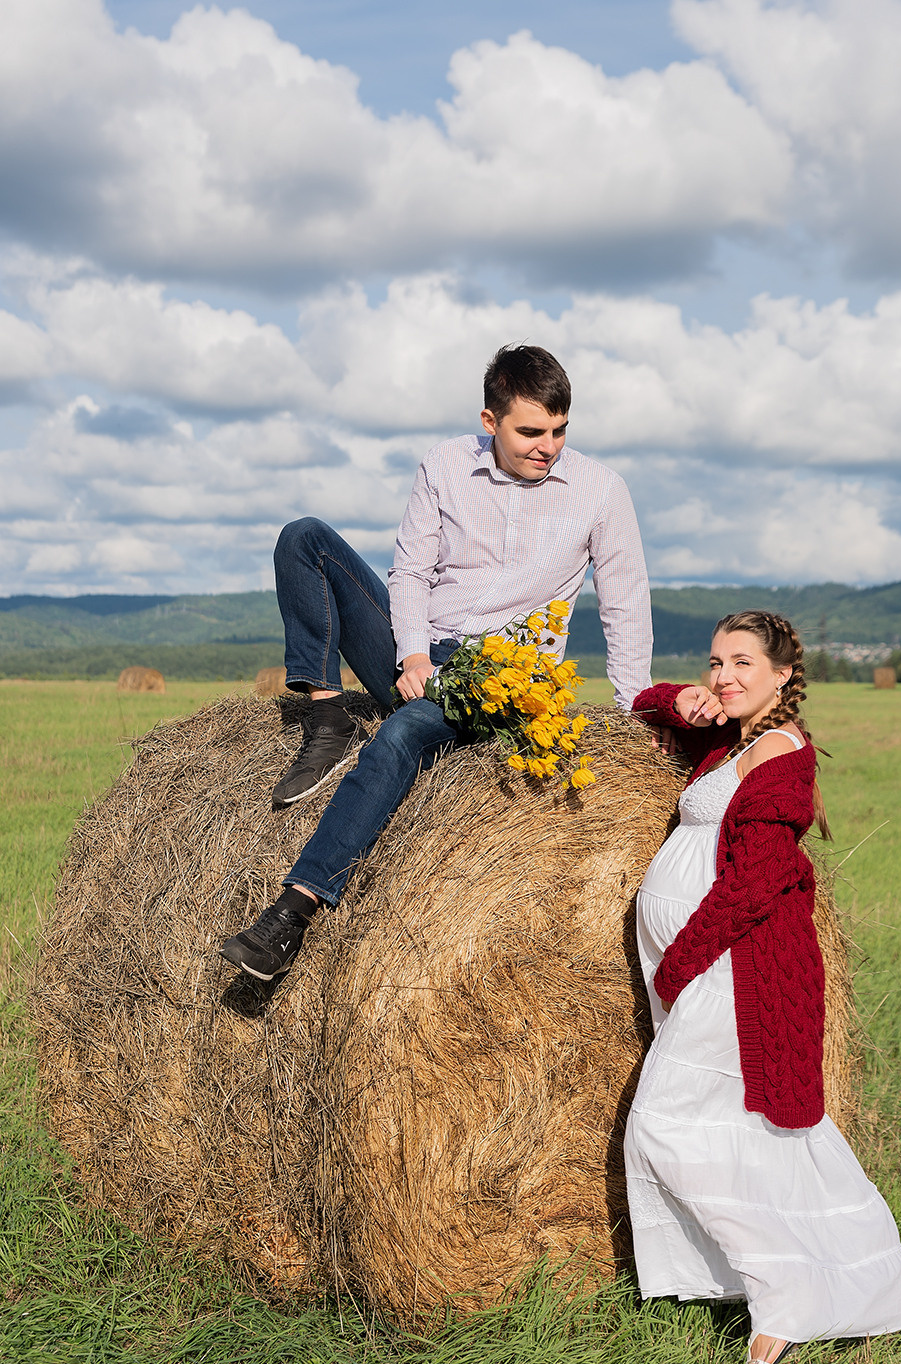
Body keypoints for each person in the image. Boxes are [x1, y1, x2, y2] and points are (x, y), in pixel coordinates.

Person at [220, 344, 653, 981]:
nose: (548, 446)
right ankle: (326, 714)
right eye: (530, 431)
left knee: (399, 734)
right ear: (490, 421)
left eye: (560, 431)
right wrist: (414, 651)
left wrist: (633, 719)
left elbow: (626, 604)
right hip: (421, 646)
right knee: (303, 537)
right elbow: (411, 572)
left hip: (507, 673)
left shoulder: (600, 492)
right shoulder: (444, 466)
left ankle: (292, 913)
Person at [625, 611, 901, 1364]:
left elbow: (752, 884)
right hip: (704, 966)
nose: (725, 675)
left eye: (741, 662)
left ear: (784, 673)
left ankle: (782, 1296)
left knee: (662, 1124)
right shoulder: (731, 741)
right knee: (736, 1131)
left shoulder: (782, 757)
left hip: (733, 966)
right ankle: (790, 1285)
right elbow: (641, 706)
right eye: (715, 661)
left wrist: (677, 965)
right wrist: (681, 697)